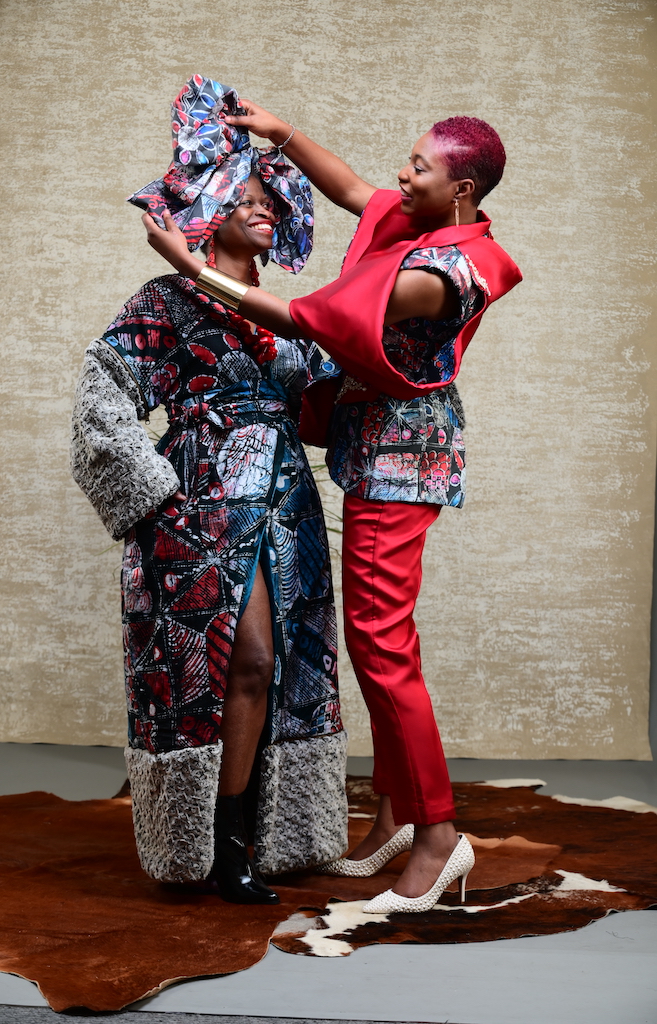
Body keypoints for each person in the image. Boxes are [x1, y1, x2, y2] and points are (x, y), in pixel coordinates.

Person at [140, 98, 522, 914]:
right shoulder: (430, 227)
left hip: (397, 465)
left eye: (418, 167)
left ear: (460, 189)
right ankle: (394, 814)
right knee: (376, 640)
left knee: (380, 645)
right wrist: (277, 131)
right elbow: (350, 189)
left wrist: (190, 267)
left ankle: (437, 835)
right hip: (374, 451)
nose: (400, 175)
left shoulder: (441, 274)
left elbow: (303, 318)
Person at [71, 77, 348, 906]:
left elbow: (321, 412)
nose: (264, 209)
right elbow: (101, 396)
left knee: (276, 668)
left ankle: (248, 839)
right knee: (239, 659)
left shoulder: (285, 313)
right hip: (200, 507)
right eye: (248, 198)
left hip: (286, 506)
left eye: (270, 200)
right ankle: (214, 845)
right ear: (212, 208)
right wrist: (153, 498)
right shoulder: (164, 301)